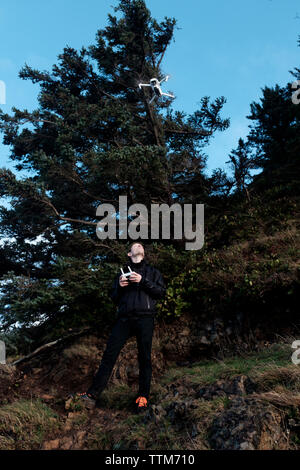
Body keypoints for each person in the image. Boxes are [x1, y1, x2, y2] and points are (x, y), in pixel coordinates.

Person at [74, 242, 166, 413]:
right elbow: (114, 298)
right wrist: (120, 287)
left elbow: (161, 293)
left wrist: (143, 281)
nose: (138, 246)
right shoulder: (121, 274)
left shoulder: (153, 272)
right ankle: (92, 395)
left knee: (144, 357)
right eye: (134, 245)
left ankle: (143, 397)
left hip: (145, 318)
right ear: (129, 254)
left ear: (143, 253)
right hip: (124, 319)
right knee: (109, 355)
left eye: (140, 245)